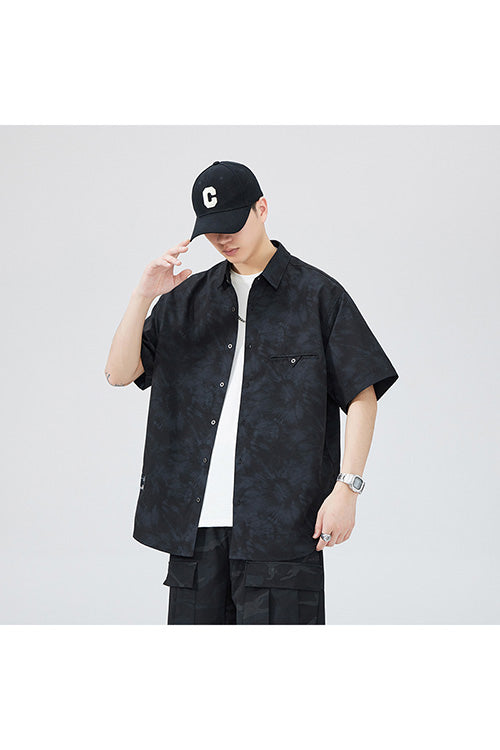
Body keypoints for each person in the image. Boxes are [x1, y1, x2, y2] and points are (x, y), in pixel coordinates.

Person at [105, 160, 399, 625]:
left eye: (233, 223)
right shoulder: (186, 299)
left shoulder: (317, 295)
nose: (223, 239)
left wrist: (348, 489)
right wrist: (143, 295)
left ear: (262, 208)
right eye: (212, 231)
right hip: (197, 529)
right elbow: (120, 373)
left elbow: (363, 393)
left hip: (282, 527)